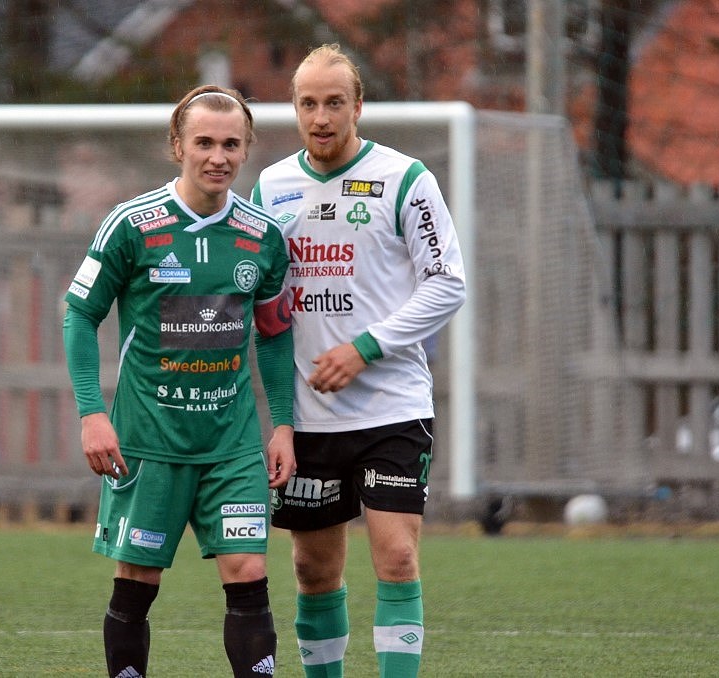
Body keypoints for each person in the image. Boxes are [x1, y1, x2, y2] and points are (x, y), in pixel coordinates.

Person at [63, 84, 296, 678]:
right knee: (138, 579)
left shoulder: (263, 236)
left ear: (246, 149)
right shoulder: (131, 225)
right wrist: (92, 413)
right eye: (204, 143)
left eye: (231, 144)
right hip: (148, 442)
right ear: (178, 146)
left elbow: (274, 333)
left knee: (249, 571)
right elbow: (80, 315)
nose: (218, 156)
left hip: (232, 444)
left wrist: (284, 426)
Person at [251, 44, 467, 678]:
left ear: (358, 106)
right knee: (312, 569)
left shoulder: (406, 179)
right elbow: (266, 305)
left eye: (334, 103)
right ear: (294, 109)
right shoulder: (270, 188)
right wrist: (279, 417)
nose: (321, 117)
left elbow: (447, 283)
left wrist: (365, 347)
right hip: (310, 417)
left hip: (392, 407)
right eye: (308, 104)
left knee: (396, 558)